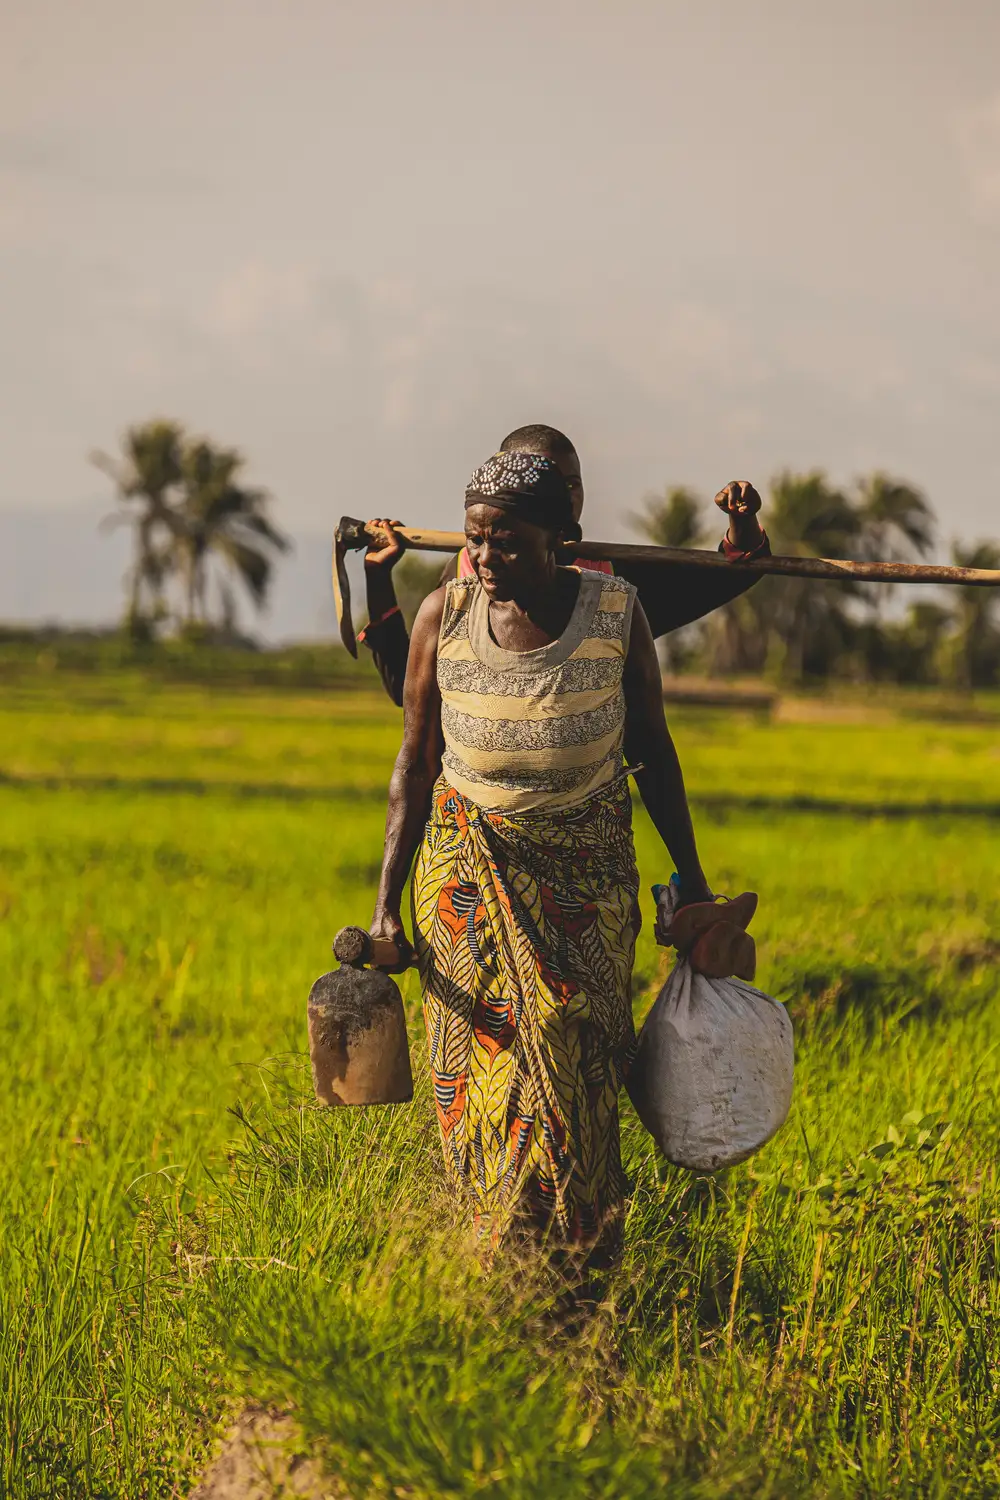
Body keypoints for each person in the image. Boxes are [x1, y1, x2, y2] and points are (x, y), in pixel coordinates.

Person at [369, 449, 717, 1270]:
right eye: (476, 541)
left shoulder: (615, 613)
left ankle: (579, 1274)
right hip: (467, 879)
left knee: (579, 1068)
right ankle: (493, 1265)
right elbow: (414, 764)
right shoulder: (441, 616)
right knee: (484, 1087)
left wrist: (694, 878)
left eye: (510, 543)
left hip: (584, 879)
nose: (488, 560)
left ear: (562, 540)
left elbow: (655, 754)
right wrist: (386, 901)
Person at [358, 423, 769, 705]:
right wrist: (378, 578)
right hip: (477, 811)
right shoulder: (467, 575)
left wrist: (742, 522)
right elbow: (408, 692)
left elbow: (723, 577)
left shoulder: (610, 586)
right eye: (549, 483)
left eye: (573, 483)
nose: (567, 497)